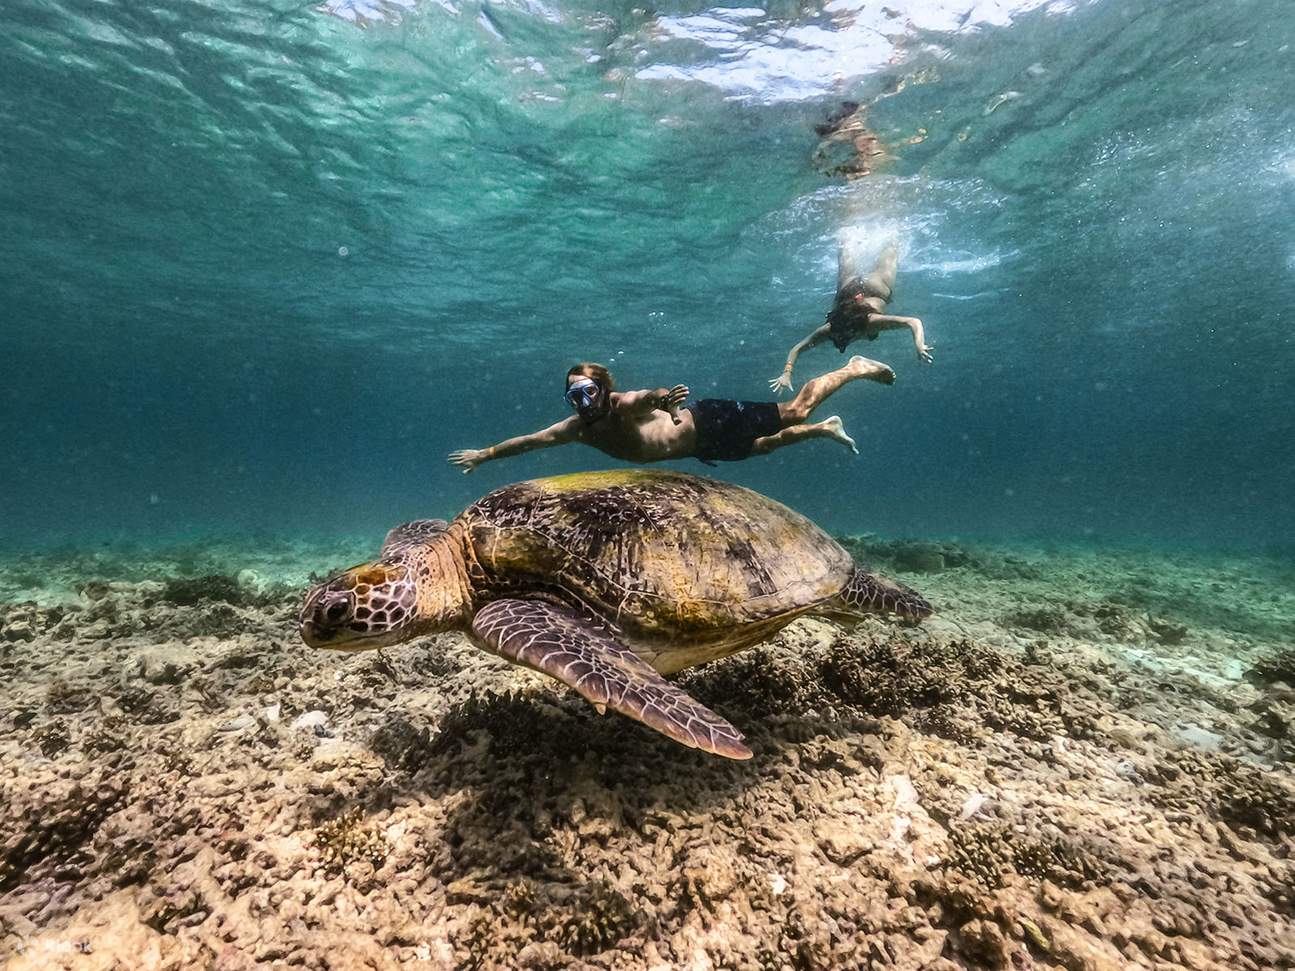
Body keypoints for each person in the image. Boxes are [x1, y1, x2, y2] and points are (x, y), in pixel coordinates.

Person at [448, 357, 895, 473]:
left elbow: (650, 395)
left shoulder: (623, 405)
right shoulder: (575, 430)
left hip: (711, 419)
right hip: (699, 448)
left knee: (795, 410)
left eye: (586, 393)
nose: (580, 403)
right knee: (764, 447)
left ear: (604, 389)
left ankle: (851, 369)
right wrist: (485, 455)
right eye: (572, 397)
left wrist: (667, 401)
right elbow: (529, 441)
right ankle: (825, 430)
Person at [771, 242, 931, 394]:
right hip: (847, 289)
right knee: (847, 250)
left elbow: (913, 322)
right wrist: (786, 373)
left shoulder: (867, 324)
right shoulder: (831, 329)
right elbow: (796, 349)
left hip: (878, 288)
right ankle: (851, 229)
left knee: (891, 249)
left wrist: (919, 345)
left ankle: (878, 231)